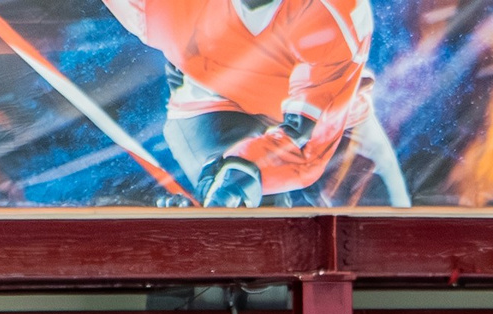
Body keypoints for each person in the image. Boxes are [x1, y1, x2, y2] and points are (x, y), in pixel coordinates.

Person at [99, 0, 412, 208]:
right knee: (252, 225)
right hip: (212, 101)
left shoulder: (335, 14)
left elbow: (308, 145)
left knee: (393, 236)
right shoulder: (158, 7)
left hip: (332, 119)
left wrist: (244, 171)